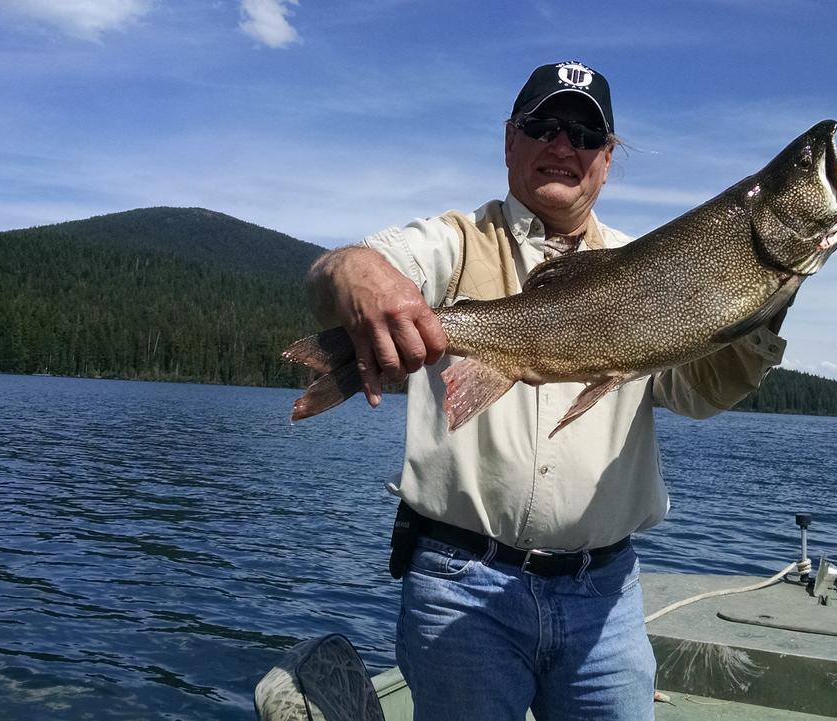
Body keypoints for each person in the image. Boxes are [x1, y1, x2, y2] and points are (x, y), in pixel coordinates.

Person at [305, 60, 787, 721]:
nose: (564, 146)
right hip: (460, 586)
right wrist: (356, 274)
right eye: (544, 126)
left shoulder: (648, 272)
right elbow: (350, 267)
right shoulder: (451, 241)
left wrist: (767, 301)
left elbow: (697, 390)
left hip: (605, 595)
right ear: (510, 142)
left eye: (586, 135)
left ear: (607, 160)